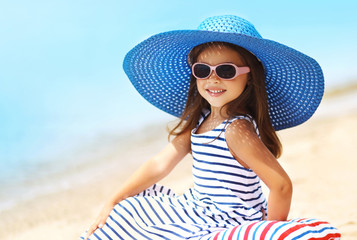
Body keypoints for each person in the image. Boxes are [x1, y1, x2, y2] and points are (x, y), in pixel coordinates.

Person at [81, 15, 340, 239]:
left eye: (226, 71)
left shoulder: (237, 129)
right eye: (203, 70)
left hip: (230, 219)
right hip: (201, 208)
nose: (212, 78)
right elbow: (159, 164)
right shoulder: (201, 119)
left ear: (250, 77)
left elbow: (281, 185)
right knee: (131, 204)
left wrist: (270, 229)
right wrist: (113, 199)